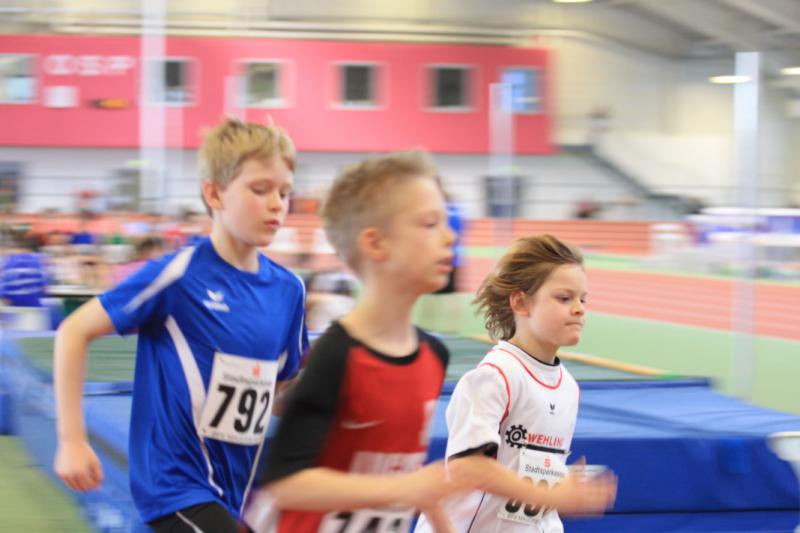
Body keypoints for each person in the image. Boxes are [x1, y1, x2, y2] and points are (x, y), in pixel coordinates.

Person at [53, 117, 309, 532]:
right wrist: (71, 440)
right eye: (260, 189)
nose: (277, 203)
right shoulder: (179, 276)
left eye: (285, 192)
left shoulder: (289, 290)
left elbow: (276, 387)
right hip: (174, 488)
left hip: (232, 492)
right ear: (214, 193)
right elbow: (73, 331)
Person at [243, 151, 470, 532]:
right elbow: (287, 484)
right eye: (430, 223)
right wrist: (403, 488)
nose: (451, 237)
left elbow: (407, 476)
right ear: (376, 244)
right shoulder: (337, 356)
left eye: (447, 222)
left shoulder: (433, 356)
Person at [415, 234, 617, 533]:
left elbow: (528, 473)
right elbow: (466, 467)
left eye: (582, 299)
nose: (579, 308)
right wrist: (550, 495)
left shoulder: (568, 387)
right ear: (521, 302)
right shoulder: (495, 377)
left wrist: (563, 486)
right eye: (564, 298)